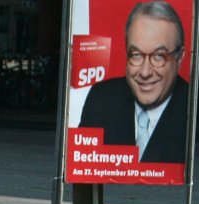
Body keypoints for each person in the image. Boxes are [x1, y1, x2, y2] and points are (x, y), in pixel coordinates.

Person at [79, 1, 188, 163]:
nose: (145, 72)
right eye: (136, 55)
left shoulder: (191, 109)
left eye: (159, 56)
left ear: (179, 58)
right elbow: (82, 168)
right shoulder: (101, 99)